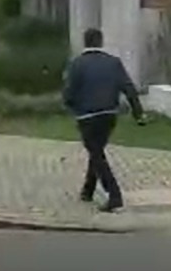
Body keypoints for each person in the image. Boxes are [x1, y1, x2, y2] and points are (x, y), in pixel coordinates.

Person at [62, 28, 146, 213]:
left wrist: (71, 106)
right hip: (109, 115)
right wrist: (138, 113)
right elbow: (129, 88)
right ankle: (87, 191)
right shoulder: (113, 63)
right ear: (101, 42)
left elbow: (69, 92)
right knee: (97, 150)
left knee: (97, 154)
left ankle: (114, 196)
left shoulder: (77, 64)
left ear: (85, 42)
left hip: (87, 116)